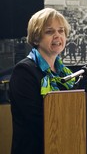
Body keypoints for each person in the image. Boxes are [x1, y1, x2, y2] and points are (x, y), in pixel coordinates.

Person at [9, 8, 76, 154]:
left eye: (61, 31)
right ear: (35, 38)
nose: (58, 36)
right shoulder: (24, 72)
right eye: (50, 32)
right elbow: (37, 120)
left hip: (65, 146)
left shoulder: (64, 74)